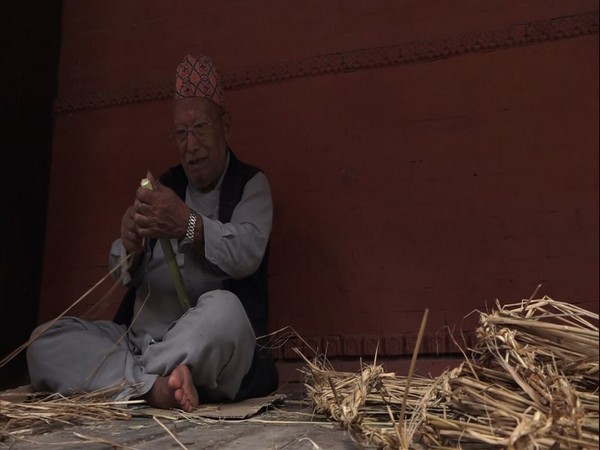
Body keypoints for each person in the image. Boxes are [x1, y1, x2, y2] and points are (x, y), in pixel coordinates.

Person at [26, 54, 278, 412]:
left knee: (226, 313)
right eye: (180, 133)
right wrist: (131, 244)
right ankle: (157, 386)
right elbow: (123, 274)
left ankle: (134, 382)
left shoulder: (251, 185)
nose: (191, 145)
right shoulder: (166, 185)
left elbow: (246, 253)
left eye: (201, 128)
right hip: (136, 341)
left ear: (226, 127)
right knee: (42, 342)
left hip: (201, 344)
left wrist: (186, 223)